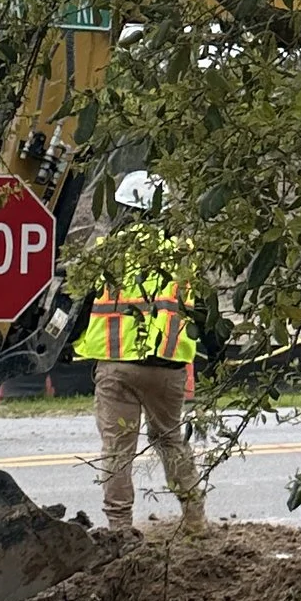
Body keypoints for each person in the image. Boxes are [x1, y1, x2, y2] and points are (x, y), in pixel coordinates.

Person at [72, 181, 208, 534]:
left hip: (117, 367)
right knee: (170, 440)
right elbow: (205, 313)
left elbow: (79, 306)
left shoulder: (107, 252)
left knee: (118, 450)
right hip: (168, 366)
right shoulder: (183, 253)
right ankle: (195, 521)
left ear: (124, 210)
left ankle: (119, 528)